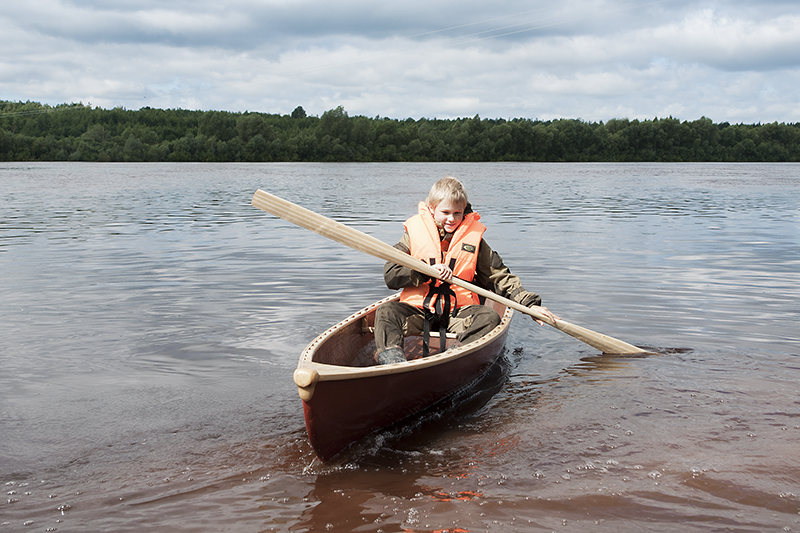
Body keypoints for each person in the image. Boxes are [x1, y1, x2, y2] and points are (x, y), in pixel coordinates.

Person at [374, 176, 559, 365]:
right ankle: (393, 363)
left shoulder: (474, 239)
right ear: (431, 209)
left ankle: (454, 357)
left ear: (464, 210)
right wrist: (424, 272)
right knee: (386, 312)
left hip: (458, 312)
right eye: (445, 212)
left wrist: (530, 305)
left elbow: (499, 276)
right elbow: (391, 275)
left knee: (489, 317)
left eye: (457, 213)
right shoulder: (412, 236)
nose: (451, 219)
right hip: (419, 311)